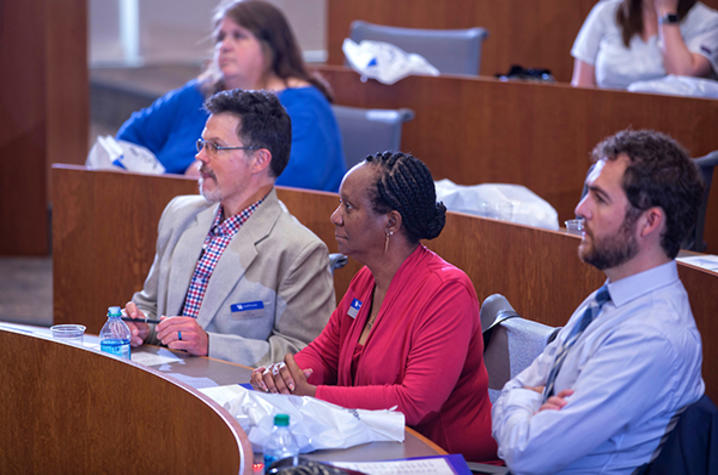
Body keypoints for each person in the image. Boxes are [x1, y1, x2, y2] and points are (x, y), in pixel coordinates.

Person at [251, 152, 498, 462]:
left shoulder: (447, 292)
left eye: (349, 207)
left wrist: (312, 394)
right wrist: (285, 376)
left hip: (438, 458)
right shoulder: (366, 279)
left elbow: (415, 402)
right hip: (373, 447)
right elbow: (326, 352)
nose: (335, 217)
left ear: (391, 222)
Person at [491, 129, 705, 474]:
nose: (580, 209)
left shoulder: (650, 336)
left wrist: (527, 397)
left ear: (650, 221)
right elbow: (517, 385)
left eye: (600, 198)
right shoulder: (609, 299)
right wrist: (530, 397)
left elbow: (526, 452)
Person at [123, 89, 335, 367]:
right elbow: (151, 306)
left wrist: (210, 345)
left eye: (216, 147)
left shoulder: (299, 250)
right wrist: (139, 325)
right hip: (164, 382)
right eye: (202, 144)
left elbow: (306, 356)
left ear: (259, 160)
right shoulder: (179, 214)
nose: (200, 157)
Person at [116, 0, 345, 191]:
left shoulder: (306, 106)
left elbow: (292, 178)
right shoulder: (198, 93)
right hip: (169, 209)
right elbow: (130, 138)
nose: (224, 46)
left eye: (239, 36)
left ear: (272, 47)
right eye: (220, 38)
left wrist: (204, 173)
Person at [571, 0, 718, 89]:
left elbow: (682, 74)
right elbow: (581, 88)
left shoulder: (709, 21)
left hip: (674, 121)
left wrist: (666, 11)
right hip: (607, 119)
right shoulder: (606, 12)